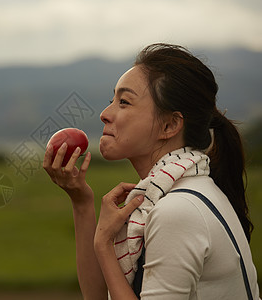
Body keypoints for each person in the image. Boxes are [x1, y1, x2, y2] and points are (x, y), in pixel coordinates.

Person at [43, 43, 260, 299]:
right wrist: (81, 201)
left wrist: (103, 245)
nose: (104, 114)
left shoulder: (178, 210)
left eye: (124, 102)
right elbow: (98, 295)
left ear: (169, 125)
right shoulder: (185, 190)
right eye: (111, 100)